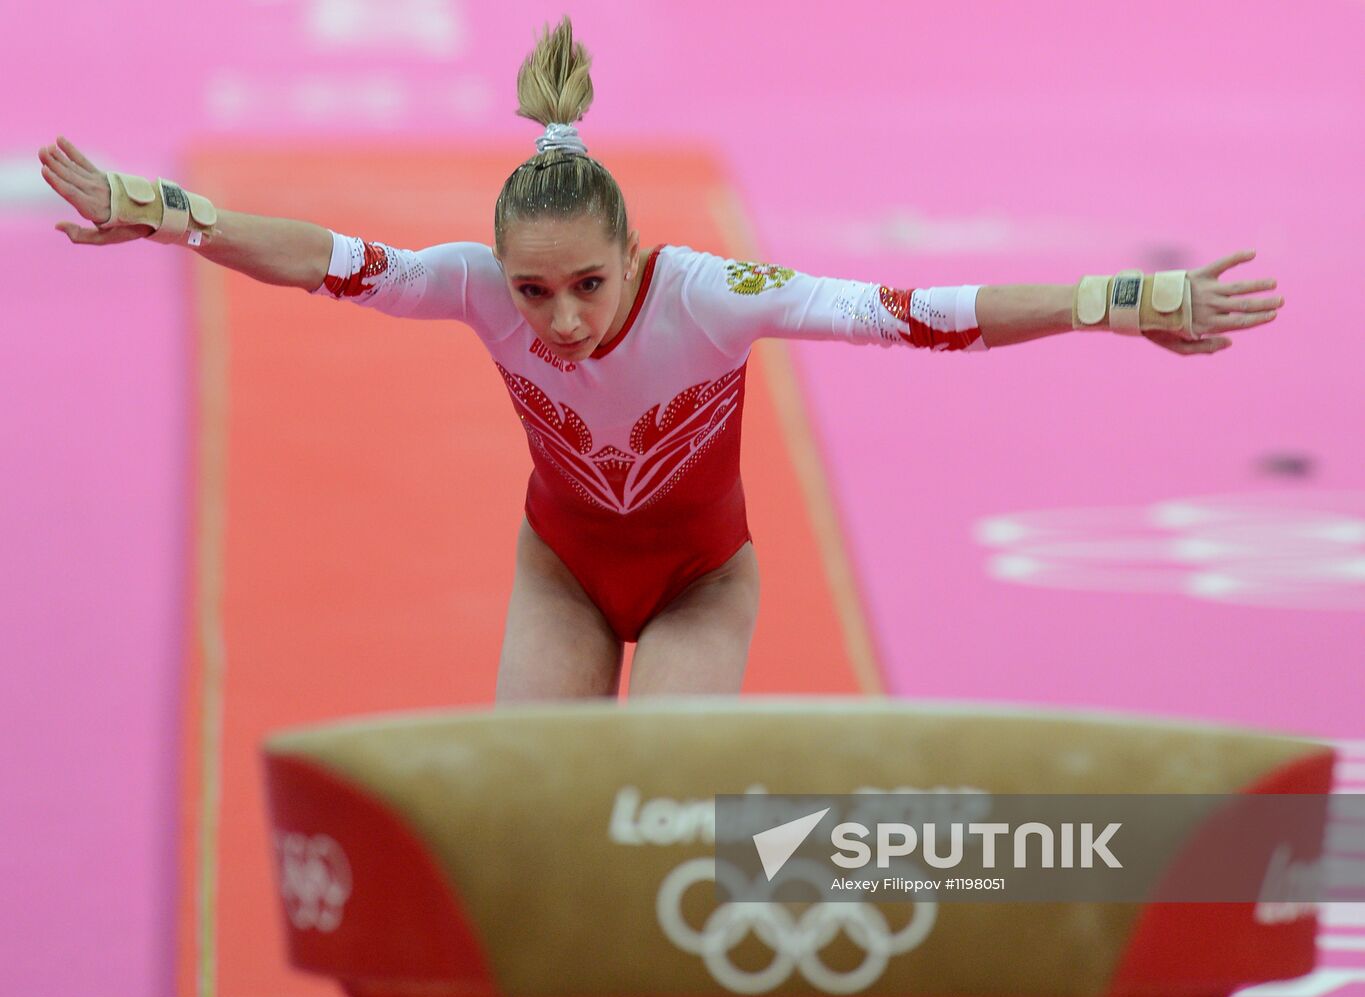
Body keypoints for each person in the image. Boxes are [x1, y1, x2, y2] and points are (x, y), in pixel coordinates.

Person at [39, 17, 1283, 703]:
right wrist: (168, 211)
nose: (563, 318)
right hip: (563, 570)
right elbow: (325, 258)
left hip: (698, 578)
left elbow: (918, 311)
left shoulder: (713, 296)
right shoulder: (474, 288)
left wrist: (1123, 298)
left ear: (636, 253)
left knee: (652, 814)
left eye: (589, 283)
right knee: (529, 816)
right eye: (536, 290)